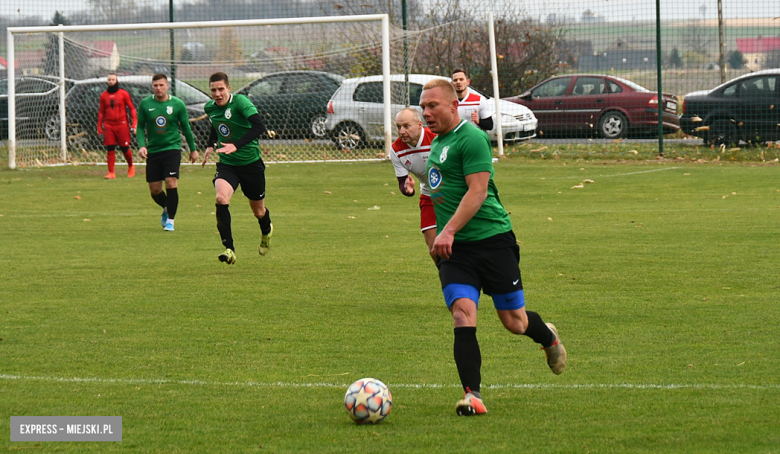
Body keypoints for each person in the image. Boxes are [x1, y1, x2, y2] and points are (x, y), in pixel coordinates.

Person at [419, 78, 566, 416]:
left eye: (433, 106)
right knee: (462, 314)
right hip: (456, 251)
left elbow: (478, 191)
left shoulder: (471, 139)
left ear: (453, 105)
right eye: (423, 107)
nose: (426, 112)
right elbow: (433, 194)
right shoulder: (438, 143)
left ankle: (548, 338)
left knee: (514, 322)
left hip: (493, 242)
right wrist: (436, 235)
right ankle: (473, 396)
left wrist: (448, 230)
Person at [201, 72, 273, 264]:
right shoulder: (210, 107)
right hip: (228, 164)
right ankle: (229, 249)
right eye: (213, 90)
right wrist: (210, 145)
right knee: (221, 198)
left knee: (259, 212)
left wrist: (236, 145)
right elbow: (216, 126)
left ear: (229, 88)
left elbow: (259, 127)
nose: (217, 94)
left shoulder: (241, 102)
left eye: (221, 89)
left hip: (251, 164)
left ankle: (266, 231)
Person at [136, 74, 199, 232]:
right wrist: (142, 146)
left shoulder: (177, 104)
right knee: (155, 190)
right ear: (152, 86)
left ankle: (171, 220)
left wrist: (193, 149)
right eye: (156, 85)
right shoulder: (145, 104)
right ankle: (166, 207)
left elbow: (186, 128)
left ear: (167, 86)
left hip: (172, 149)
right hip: (154, 151)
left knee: (171, 182)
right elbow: (139, 127)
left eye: (161, 85)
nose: (158, 88)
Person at [390, 108, 438, 262]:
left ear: (419, 124)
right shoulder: (396, 149)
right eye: (398, 127)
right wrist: (407, 189)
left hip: (455, 196)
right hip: (429, 197)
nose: (402, 131)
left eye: (406, 126)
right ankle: (452, 281)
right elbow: (403, 184)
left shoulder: (437, 138)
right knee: (435, 251)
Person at [97, 72, 137, 179]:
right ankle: (111, 172)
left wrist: (134, 123)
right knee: (110, 148)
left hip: (122, 124)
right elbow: (101, 112)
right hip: (109, 125)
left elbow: (132, 108)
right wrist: (99, 127)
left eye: (113, 80)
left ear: (116, 80)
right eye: (109, 80)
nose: (111, 81)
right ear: (107, 81)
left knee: (124, 147)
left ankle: (131, 166)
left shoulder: (124, 94)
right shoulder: (103, 95)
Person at [450, 69, 493, 133]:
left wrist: (478, 121)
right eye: (455, 80)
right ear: (452, 83)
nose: (458, 82)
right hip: (455, 140)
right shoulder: (448, 102)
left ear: (468, 82)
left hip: (474, 140)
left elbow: (490, 125)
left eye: (461, 79)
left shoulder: (479, 100)